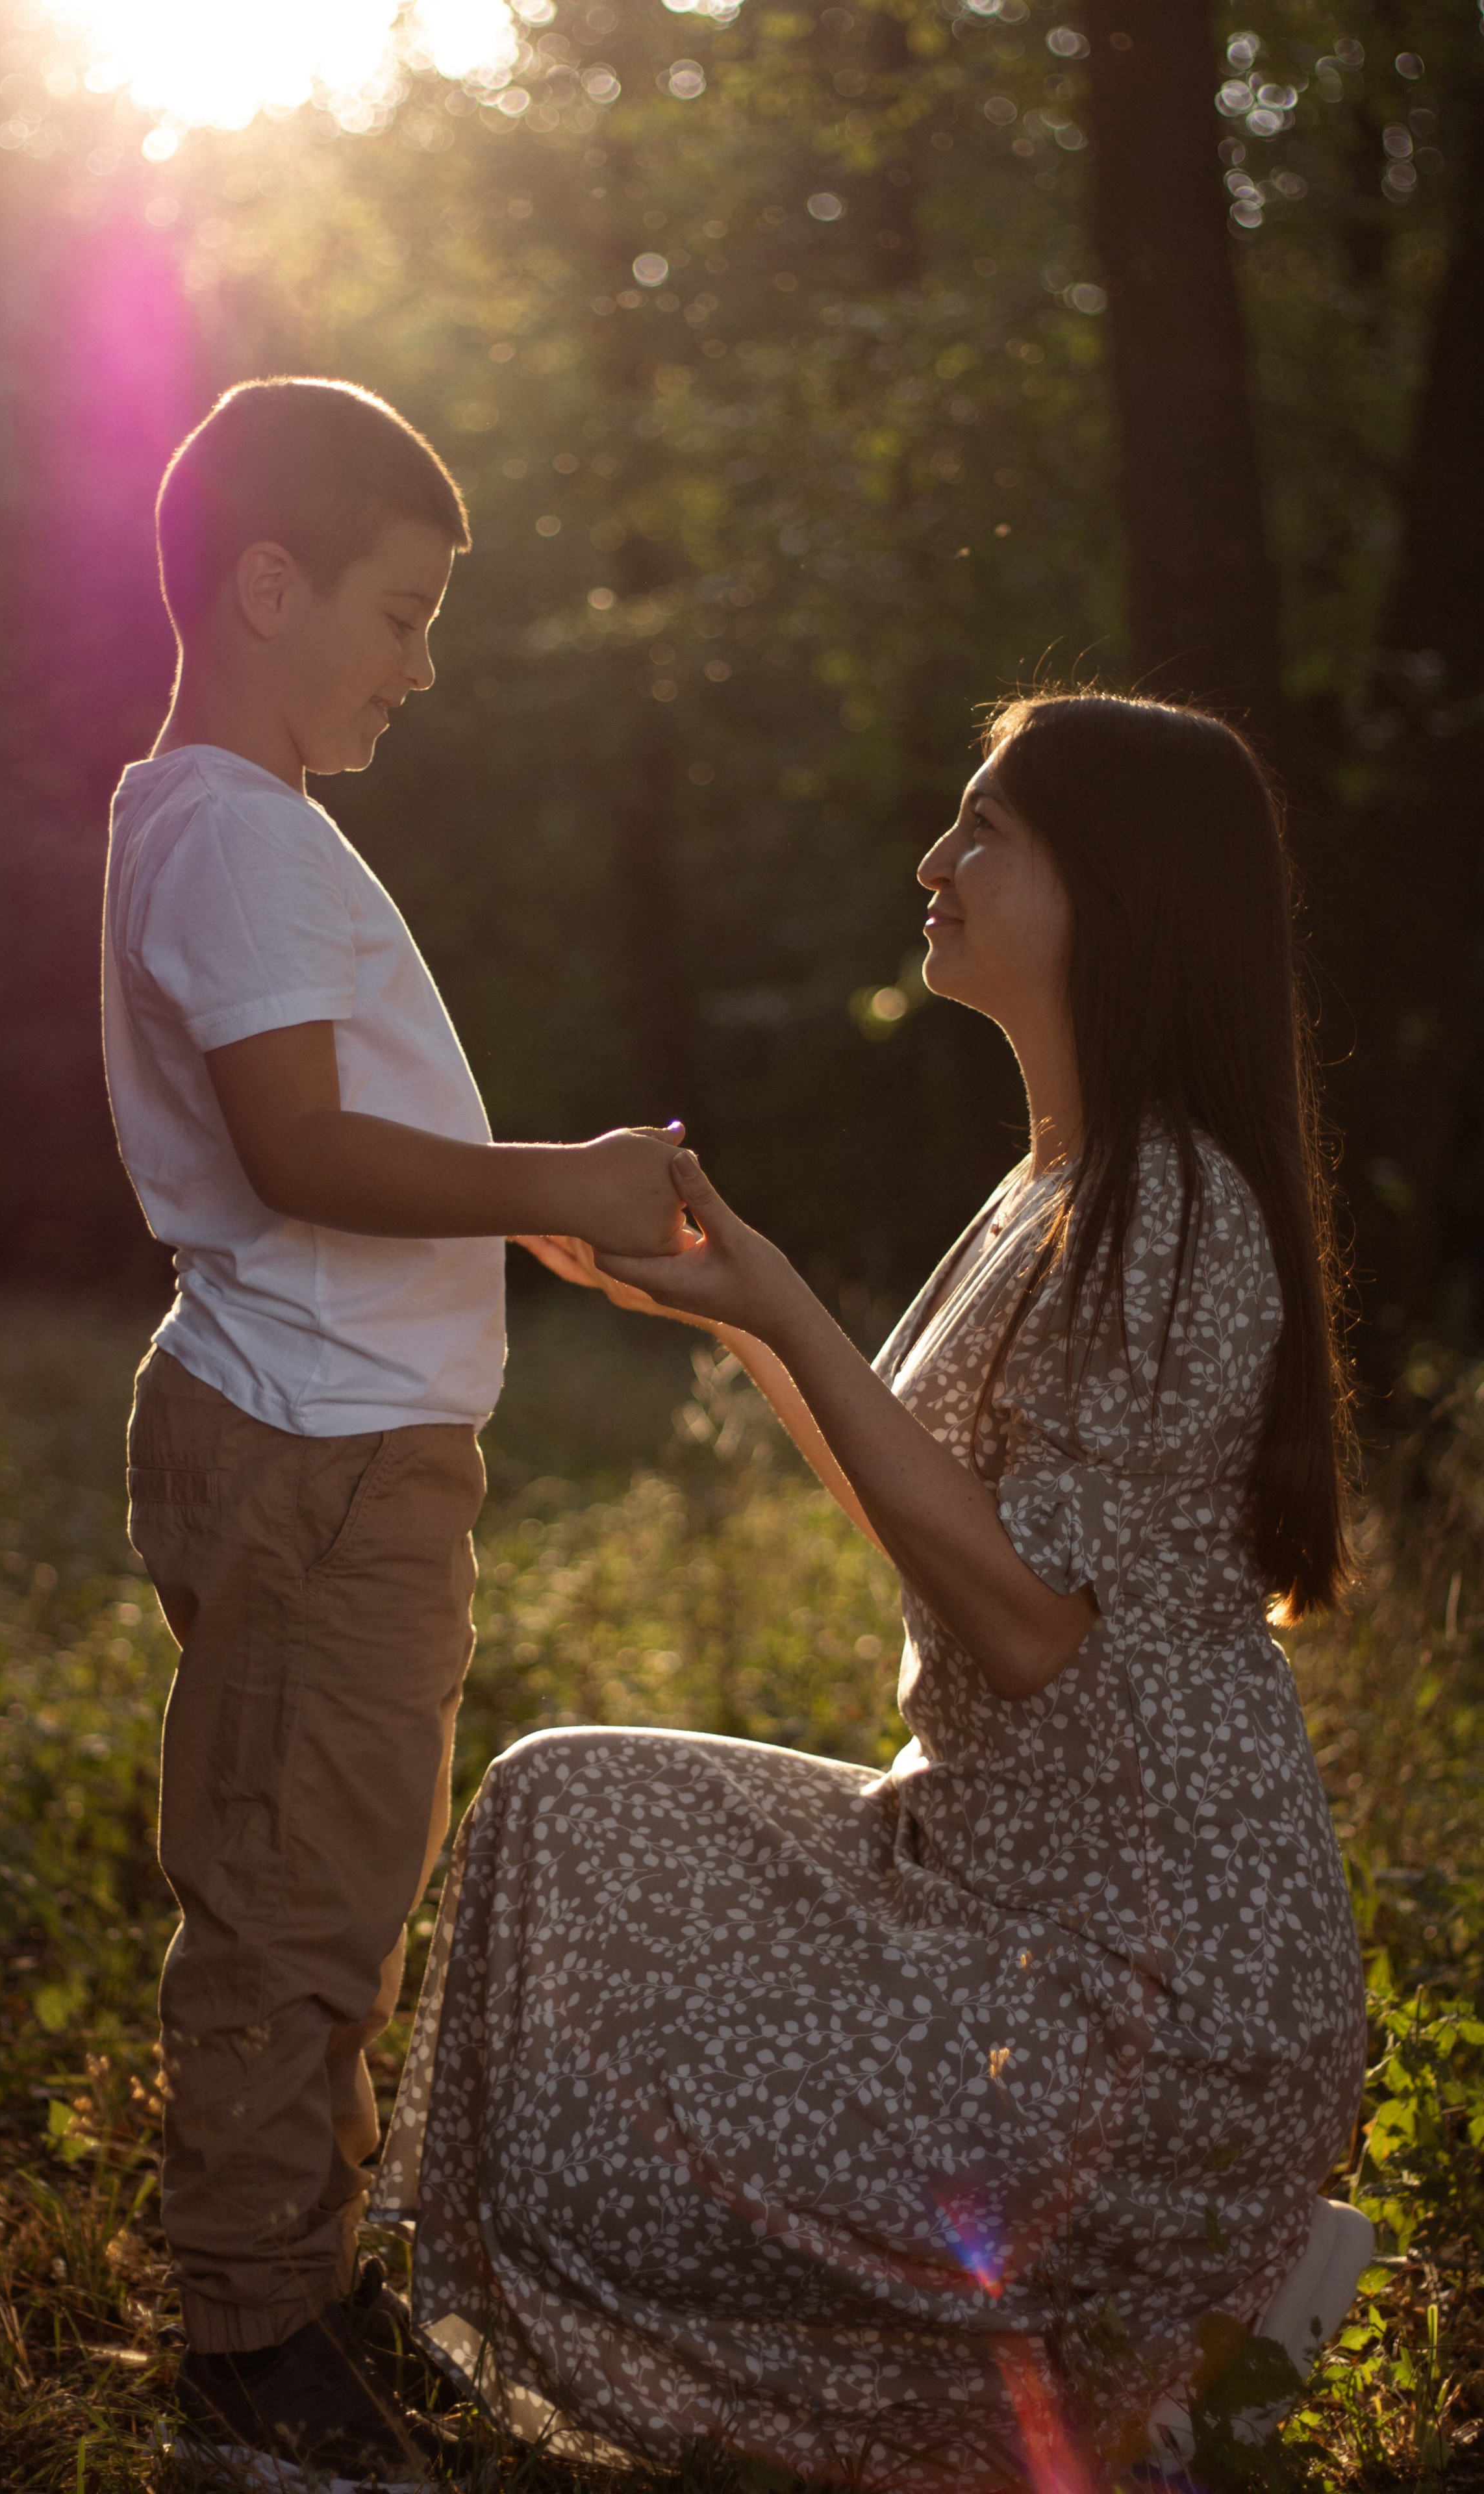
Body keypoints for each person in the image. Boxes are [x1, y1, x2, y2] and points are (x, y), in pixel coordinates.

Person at [372, 692, 1369, 2488]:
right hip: (982, 1871)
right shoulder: (1057, 1186)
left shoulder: (1180, 1213)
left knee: (599, 2145)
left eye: (987, 829)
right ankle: (1140, 2349)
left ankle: (1167, 2309)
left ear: (1118, 889)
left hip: (1142, 1985)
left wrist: (774, 1309)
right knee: (562, 1808)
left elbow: (1023, 1620)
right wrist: (738, 1295)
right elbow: (934, 1528)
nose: (935, 860)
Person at [101, 375, 687, 2484]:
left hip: (347, 1438)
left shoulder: (224, 821)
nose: (423, 664)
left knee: (337, 1884)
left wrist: (550, 1235)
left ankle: (309, 2293)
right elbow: (303, 1150)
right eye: (402, 611)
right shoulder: (239, 831)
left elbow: (350, 1151)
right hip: (317, 1461)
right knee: (287, 1901)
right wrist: (560, 1180)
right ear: (271, 586)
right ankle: (254, 2362)